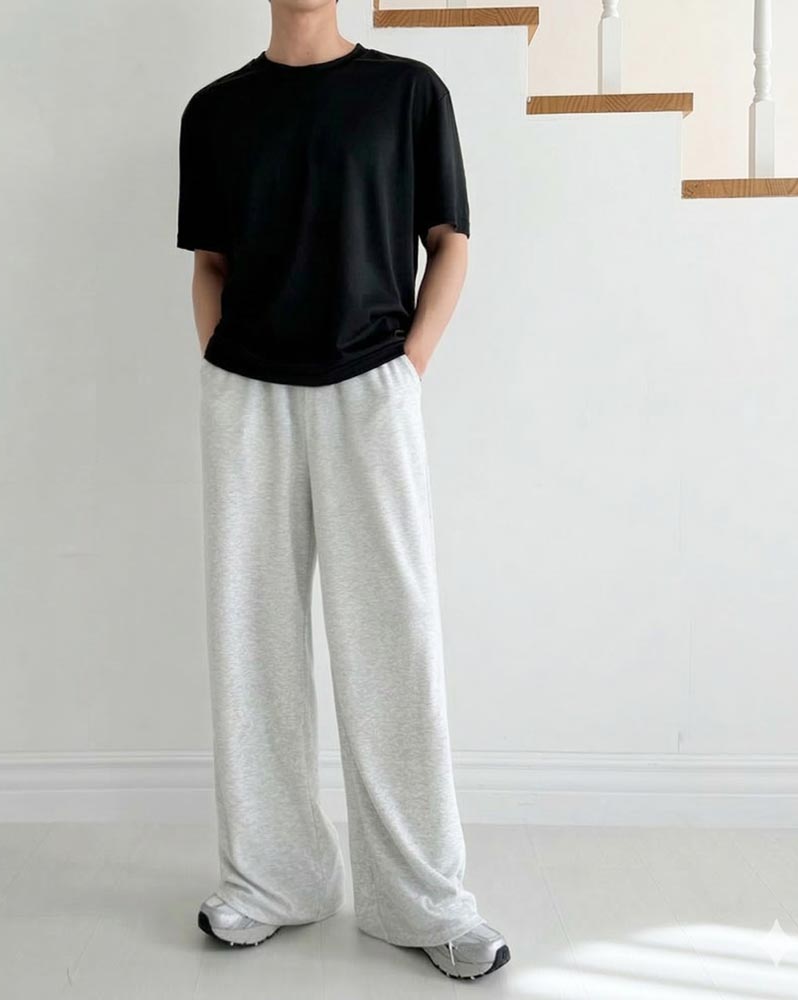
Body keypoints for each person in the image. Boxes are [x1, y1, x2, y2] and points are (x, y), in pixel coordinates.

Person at [177, 0, 510, 981]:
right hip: (247, 393)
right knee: (252, 637)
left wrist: (407, 367)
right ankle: (273, 880)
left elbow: (449, 241)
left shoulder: (407, 94)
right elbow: (210, 263)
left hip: (371, 385)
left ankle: (423, 897)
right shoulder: (214, 110)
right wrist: (219, 364)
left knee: (392, 636)